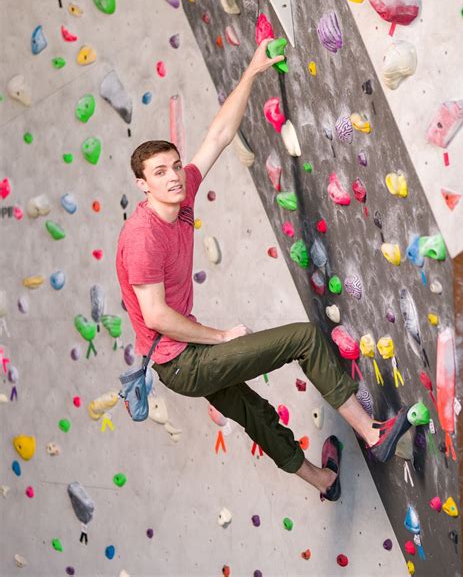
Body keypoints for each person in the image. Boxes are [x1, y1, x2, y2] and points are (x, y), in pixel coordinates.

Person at [116, 39, 412, 501]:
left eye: (174, 166)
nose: (174, 176)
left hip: (182, 357)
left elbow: (217, 136)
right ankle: (373, 434)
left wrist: (252, 71)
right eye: (160, 173)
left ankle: (323, 481)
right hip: (182, 362)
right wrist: (219, 336)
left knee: (255, 414)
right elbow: (153, 315)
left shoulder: (181, 196)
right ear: (143, 184)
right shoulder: (143, 237)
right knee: (303, 339)